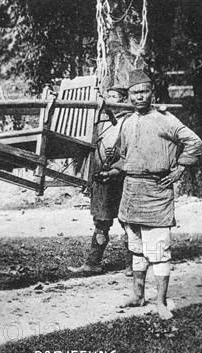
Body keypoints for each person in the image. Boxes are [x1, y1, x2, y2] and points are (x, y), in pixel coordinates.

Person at [100, 69, 202, 320]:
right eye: (134, 93)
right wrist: (111, 173)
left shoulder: (166, 120)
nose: (139, 97)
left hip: (156, 191)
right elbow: (125, 159)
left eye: (144, 91)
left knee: (158, 250)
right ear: (129, 96)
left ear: (151, 93)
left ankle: (161, 302)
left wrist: (180, 169)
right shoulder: (126, 122)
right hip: (131, 192)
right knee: (136, 248)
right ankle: (137, 295)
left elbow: (195, 143)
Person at [68, 85, 133, 276]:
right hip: (101, 179)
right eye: (108, 96)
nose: (110, 100)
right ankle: (92, 263)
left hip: (122, 179)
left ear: (123, 101)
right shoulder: (100, 119)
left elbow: (132, 152)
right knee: (101, 223)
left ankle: (132, 264)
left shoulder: (130, 120)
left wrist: (115, 169)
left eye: (115, 97)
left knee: (128, 222)